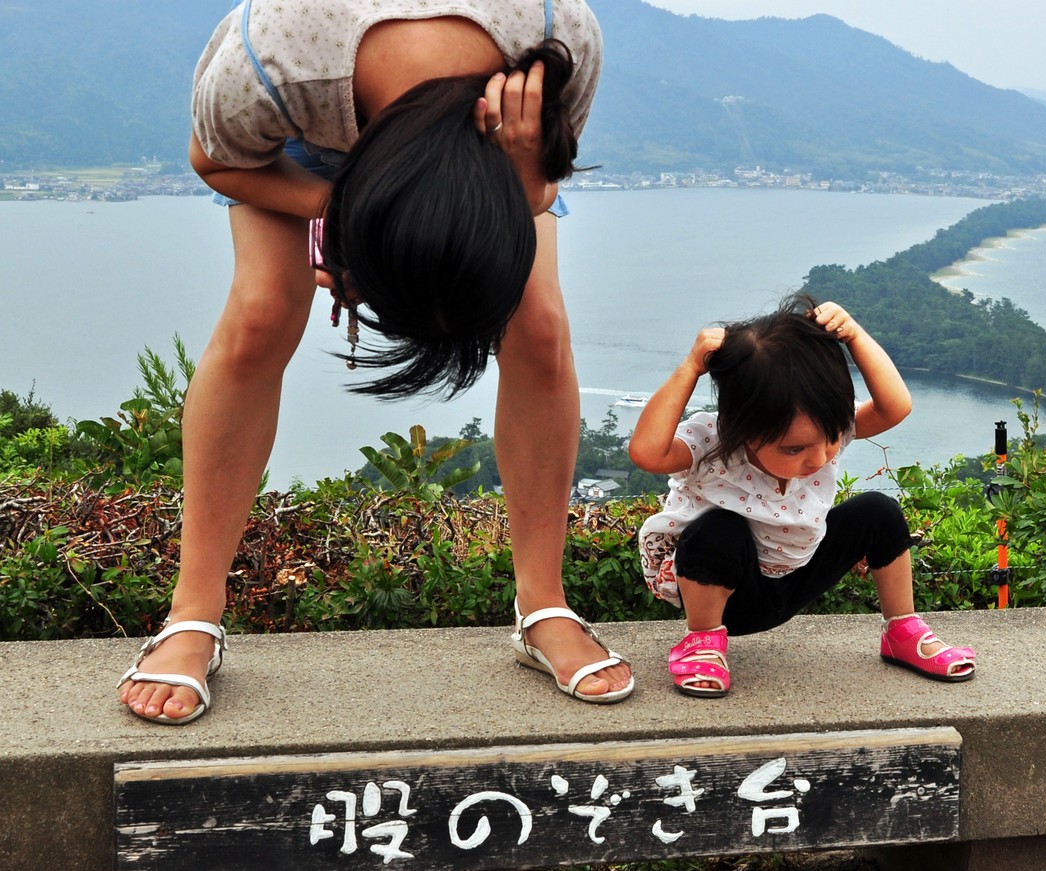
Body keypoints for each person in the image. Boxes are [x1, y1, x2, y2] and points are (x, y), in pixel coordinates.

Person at [118, 0, 634, 725]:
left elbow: (540, 190)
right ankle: (191, 614)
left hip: (489, 160)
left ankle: (542, 603)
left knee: (540, 326)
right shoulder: (272, 60)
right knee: (261, 315)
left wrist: (519, 177)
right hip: (292, 153)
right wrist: (360, 217)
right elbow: (217, 161)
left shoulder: (555, 35)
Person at [628, 295, 976, 698]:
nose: (819, 457)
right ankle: (702, 642)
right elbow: (647, 452)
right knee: (718, 530)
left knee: (878, 512)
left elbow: (894, 406)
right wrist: (691, 366)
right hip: (730, 594)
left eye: (830, 440)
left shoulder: (820, 430)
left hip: (799, 575)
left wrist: (854, 336)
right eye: (794, 449)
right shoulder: (713, 444)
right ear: (742, 428)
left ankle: (902, 629)